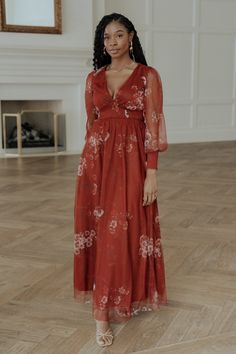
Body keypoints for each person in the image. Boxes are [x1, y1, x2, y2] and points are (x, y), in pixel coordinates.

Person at [73, 12, 168, 347]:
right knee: (102, 233)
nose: (111, 43)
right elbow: (91, 125)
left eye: (118, 35)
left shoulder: (147, 76)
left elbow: (153, 126)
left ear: (131, 37)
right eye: (106, 37)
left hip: (132, 165)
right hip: (95, 167)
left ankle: (125, 296)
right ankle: (101, 314)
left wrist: (151, 174)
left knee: (127, 229)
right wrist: (87, 167)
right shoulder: (93, 78)